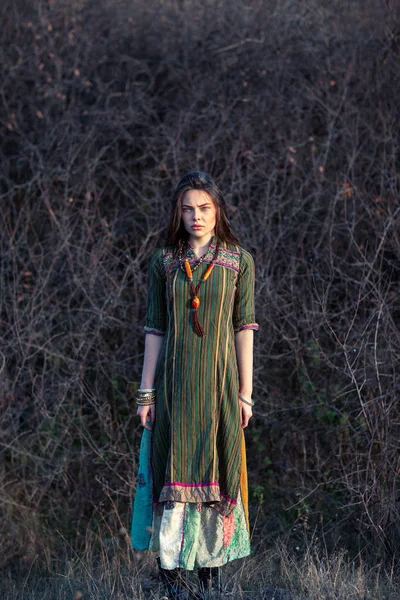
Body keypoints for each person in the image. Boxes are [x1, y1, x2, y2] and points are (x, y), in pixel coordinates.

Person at [131, 171, 259, 599]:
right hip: (174, 393)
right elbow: (155, 329)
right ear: (178, 212)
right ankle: (171, 583)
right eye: (188, 208)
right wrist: (145, 394)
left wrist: (246, 393)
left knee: (217, 479)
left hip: (220, 392)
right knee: (173, 477)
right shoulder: (164, 261)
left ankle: (210, 585)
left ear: (217, 210)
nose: (196, 216)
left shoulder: (239, 261)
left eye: (204, 208)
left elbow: (245, 329)